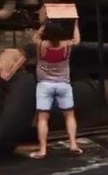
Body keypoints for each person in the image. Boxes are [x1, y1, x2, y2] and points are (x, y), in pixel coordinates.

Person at [30, 20, 82, 159]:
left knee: (43, 118)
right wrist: (75, 23)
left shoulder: (41, 45)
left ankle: (42, 150)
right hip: (63, 85)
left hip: (44, 85)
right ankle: (73, 144)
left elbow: (34, 37)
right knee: (69, 115)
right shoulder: (67, 46)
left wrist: (42, 25)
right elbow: (77, 39)